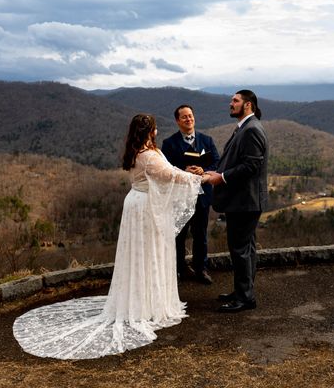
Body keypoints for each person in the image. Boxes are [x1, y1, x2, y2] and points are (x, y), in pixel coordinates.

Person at [13, 114, 206, 359]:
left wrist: (185, 173)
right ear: (151, 131)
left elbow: (166, 172)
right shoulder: (147, 154)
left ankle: (141, 299)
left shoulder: (137, 151)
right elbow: (169, 176)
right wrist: (199, 177)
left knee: (140, 255)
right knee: (148, 254)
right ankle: (146, 304)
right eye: (155, 129)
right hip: (145, 208)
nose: (157, 132)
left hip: (138, 204)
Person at [204, 90, 268, 313]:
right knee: (246, 249)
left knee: (240, 249)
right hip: (243, 200)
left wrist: (220, 178)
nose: (230, 104)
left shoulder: (251, 130)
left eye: (235, 101)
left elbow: (251, 166)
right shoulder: (244, 128)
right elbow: (233, 161)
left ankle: (245, 298)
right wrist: (210, 172)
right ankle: (243, 292)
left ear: (248, 105)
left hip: (245, 201)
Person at [162, 104, 219, 284]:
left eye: (191, 116)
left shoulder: (206, 140)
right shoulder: (169, 143)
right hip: (180, 196)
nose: (189, 119)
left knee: (200, 235)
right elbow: (165, 169)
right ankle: (180, 269)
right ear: (178, 121)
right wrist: (183, 170)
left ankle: (201, 269)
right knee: (179, 235)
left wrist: (204, 169)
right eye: (184, 117)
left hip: (202, 196)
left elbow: (217, 162)